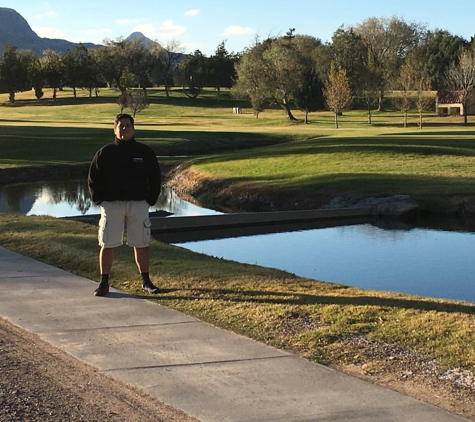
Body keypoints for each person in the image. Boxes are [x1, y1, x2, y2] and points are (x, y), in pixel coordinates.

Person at [88, 113, 162, 297]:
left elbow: (155, 178)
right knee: (107, 243)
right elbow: (93, 179)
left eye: (128, 126)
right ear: (115, 129)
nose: (124, 129)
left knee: (141, 244)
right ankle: (104, 282)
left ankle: (146, 281)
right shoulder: (105, 153)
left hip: (138, 205)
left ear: (133, 129)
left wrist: (149, 200)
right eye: (121, 126)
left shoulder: (144, 152)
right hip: (112, 206)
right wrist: (101, 201)